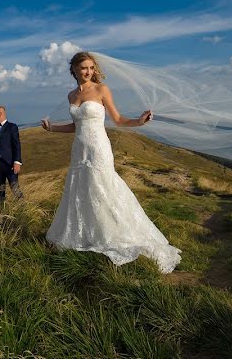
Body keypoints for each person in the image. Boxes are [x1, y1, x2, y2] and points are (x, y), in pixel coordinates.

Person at [40, 51, 181, 273]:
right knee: (81, 190)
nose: (88, 71)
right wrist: (51, 128)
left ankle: (113, 233)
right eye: (83, 68)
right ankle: (85, 234)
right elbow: (74, 126)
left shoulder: (102, 90)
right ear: (74, 70)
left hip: (98, 148)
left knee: (103, 188)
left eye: (90, 68)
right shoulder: (71, 96)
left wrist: (139, 122)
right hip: (79, 150)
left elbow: (117, 119)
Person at [0, 105, 23, 205]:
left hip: (9, 164)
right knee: (0, 189)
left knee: (14, 187)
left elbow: (16, 145)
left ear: (1, 113)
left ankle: (23, 207)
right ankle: (0, 211)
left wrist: (17, 162)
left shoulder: (12, 127)